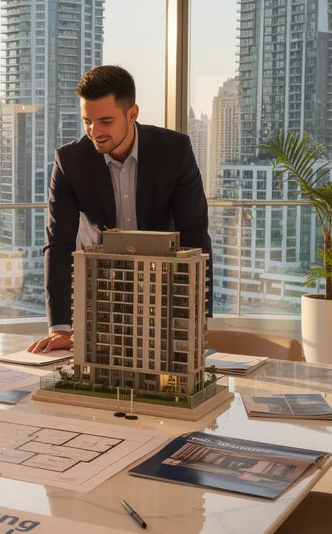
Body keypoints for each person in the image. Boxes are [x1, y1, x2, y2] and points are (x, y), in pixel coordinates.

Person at [28, 65, 212, 354]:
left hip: (162, 288)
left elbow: (195, 233)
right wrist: (60, 327)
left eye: (105, 121)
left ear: (132, 113)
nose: (94, 132)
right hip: (100, 293)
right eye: (87, 121)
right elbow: (59, 243)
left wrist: (197, 317)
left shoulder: (174, 151)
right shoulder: (69, 160)